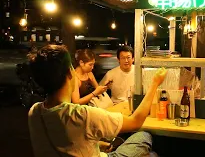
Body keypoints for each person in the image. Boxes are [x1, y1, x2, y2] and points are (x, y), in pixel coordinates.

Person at [27, 44, 167, 157]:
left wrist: (96, 144)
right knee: (144, 135)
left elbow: (64, 142)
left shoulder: (34, 111)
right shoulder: (82, 115)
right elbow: (136, 122)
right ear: (70, 74)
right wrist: (155, 83)